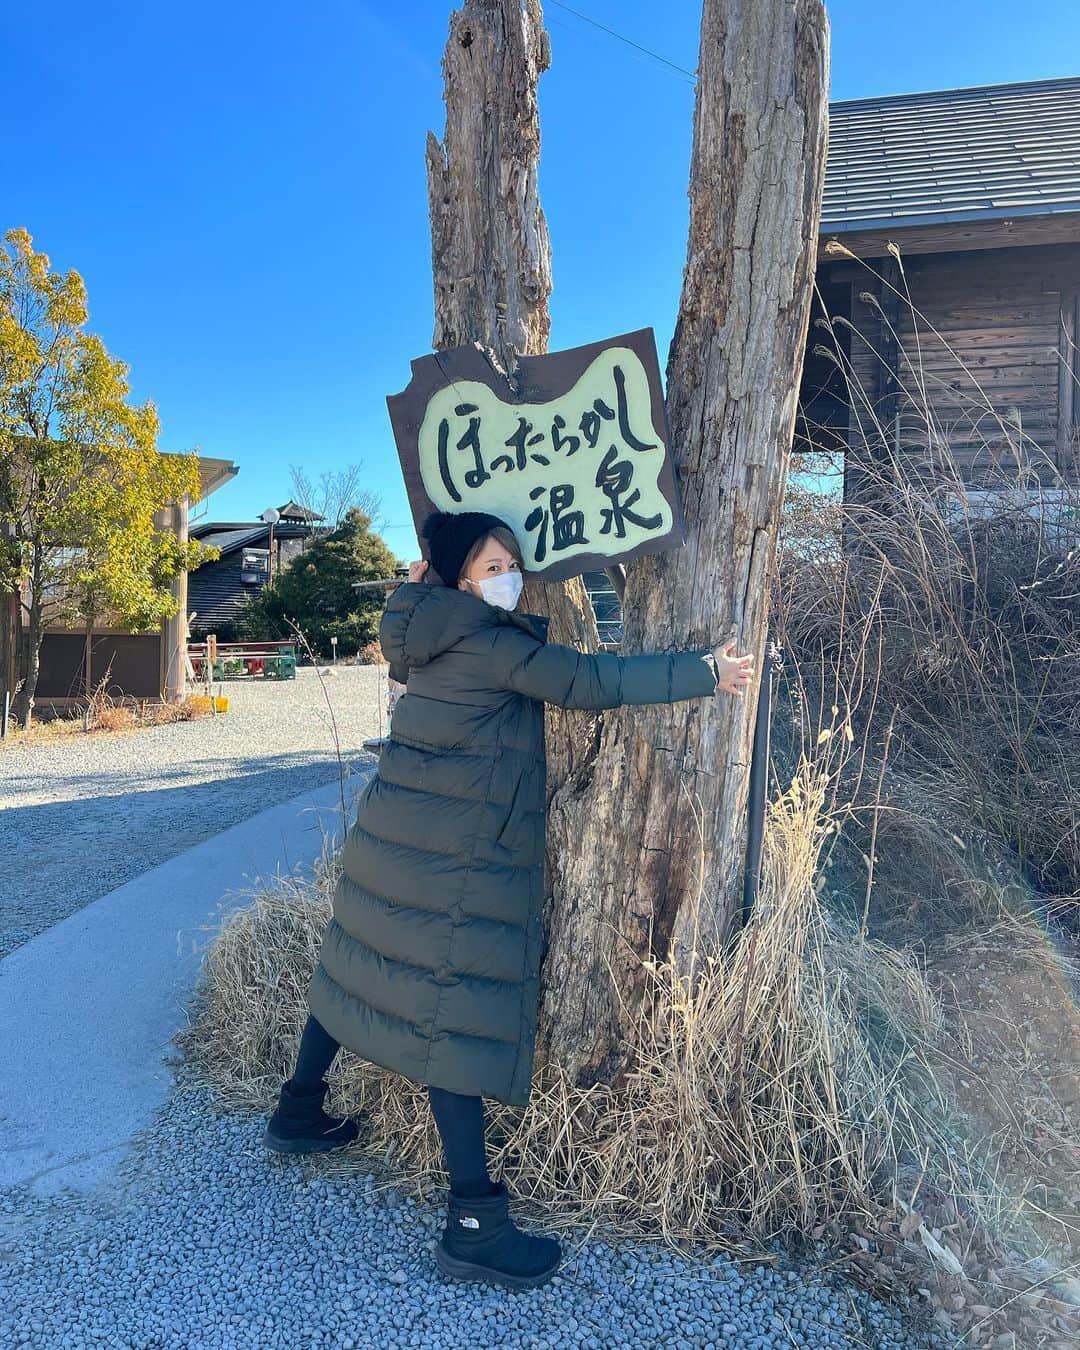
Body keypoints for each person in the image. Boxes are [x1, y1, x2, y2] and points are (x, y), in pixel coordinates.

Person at [264, 509, 755, 1290]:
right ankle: (473, 1223)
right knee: (451, 1013)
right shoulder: (489, 644)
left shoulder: (426, 634)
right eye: (493, 564)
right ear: (462, 574)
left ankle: (297, 1107)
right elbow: (589, 682)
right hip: (453, 857)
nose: (508, 575)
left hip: (398, 837)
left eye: (511, 562)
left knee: (359, 958)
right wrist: (704, 671)